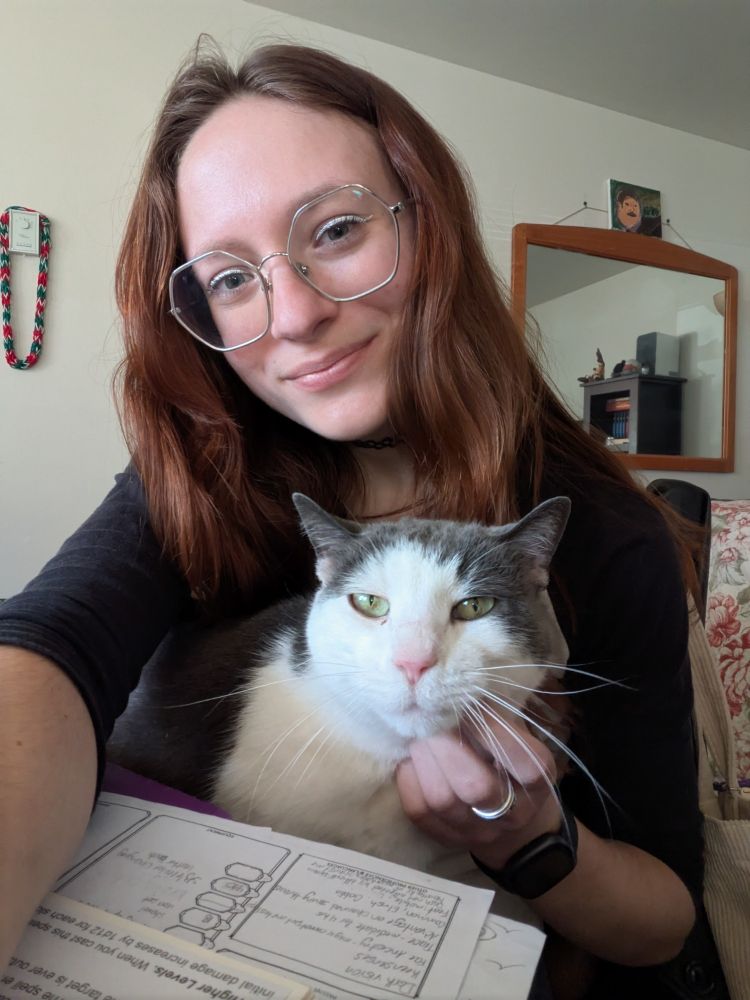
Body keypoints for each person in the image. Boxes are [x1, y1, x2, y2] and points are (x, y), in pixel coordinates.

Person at [0, 40, 723, 998]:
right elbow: (46, 645)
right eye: (229, 278)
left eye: (335, 230)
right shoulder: (200, 471)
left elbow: (664, 918)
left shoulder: (603, 533)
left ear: (431, 228)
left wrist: (530, 840)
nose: (292, 313)